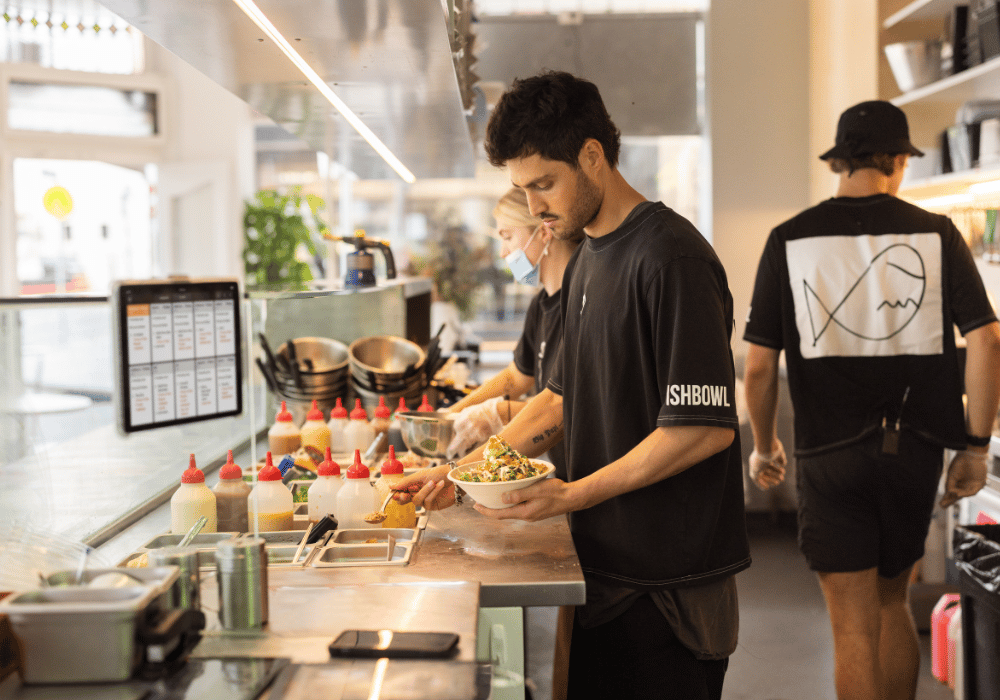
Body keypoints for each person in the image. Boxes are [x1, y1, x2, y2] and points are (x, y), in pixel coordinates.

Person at [397, 70, 748, 700]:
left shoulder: (673, 259)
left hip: (670, 585)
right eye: (521, 190)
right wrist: (462, 474)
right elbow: (558, 398)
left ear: (592, 156)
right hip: (604, 571)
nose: (533, 207)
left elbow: (699, 432)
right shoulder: (587, 256)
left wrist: (571, 495)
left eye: (543, 184)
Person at [743, 99, 1000, 700]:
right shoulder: (936, 234)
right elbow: (987, 339)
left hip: (830, 456)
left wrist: (764, 446)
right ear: (896, 161)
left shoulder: (790, 237)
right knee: (893, 604)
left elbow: (758, 368)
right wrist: (976, 446)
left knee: (851, 630)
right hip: (912, 450)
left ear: (841, 162)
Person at [446, 187, 583, 480]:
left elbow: (569, 408)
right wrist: (453, 414)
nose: (503, 251)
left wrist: (503, 413)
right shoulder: (541, 305)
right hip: (563, 473)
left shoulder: (582, 304)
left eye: (507, 236)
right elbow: (517, 377)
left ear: (544, 232)